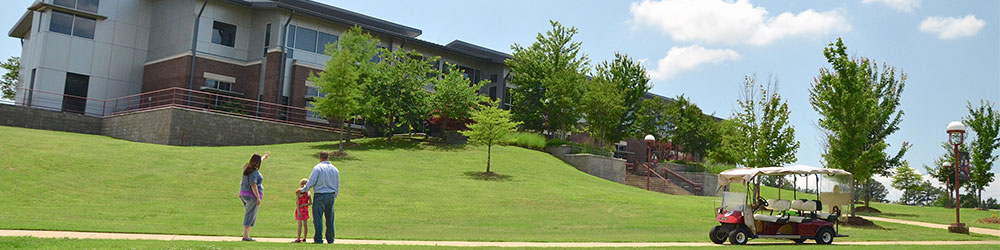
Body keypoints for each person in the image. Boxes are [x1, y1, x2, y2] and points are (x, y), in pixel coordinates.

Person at [299, 151, 340, 244]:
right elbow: (337, 184)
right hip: (331, 195)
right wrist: (335, 195)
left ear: (320, 158)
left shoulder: (317, 168)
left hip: (320, 194)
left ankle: (318, 238)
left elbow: (311, 182)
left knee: (318, 218)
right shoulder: (335, 169)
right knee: (330, 218)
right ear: (328, 157)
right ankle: (330, 239)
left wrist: (303, 190)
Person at [239, 152, 269, 242]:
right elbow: (253, 184)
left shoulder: (247, 168)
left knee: (248, 213)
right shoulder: (254, 172)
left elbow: (256, 164)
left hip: (243, 194)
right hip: (252, 196)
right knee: (251, 214)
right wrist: (258, 197)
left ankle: (246, 234)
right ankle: (246, 235)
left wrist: (264, 157)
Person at [293, 178, 312, 243]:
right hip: (305, 210)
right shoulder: (308, 193)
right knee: (305, 225)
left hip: (300, 210)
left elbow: (297, 203)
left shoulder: (299, 192)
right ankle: (304, 238)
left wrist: (298, 211)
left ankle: (298, 238)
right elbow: (310, 202)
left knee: (299, 225)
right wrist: (304, 205)